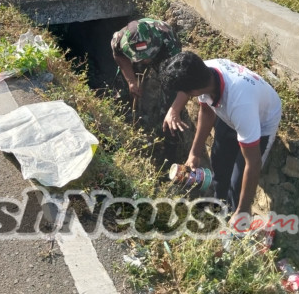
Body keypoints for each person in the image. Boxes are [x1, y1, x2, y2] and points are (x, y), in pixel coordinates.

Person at [161, 51, 281, 219]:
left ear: (193, 91)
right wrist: (194, 153)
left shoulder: (240, 105)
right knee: (219, 166)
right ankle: (220, 209)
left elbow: (253, 163)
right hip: (231, 114)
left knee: (237, 183)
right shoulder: (203, 72)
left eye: (185, 92)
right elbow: (206, 112)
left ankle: (235, 219)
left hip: (261, 124)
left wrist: (243, 209)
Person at [111, 18, 181, 100]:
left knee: (169, 86)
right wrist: (131, 81)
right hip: (134, 57)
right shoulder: (119, 39)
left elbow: (175, 69)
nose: (144, 60)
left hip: (162, 55)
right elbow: (119, 56)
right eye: (141, 57)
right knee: (123, 85)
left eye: (146, 54)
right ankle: (122, 101)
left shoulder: (168, 37)